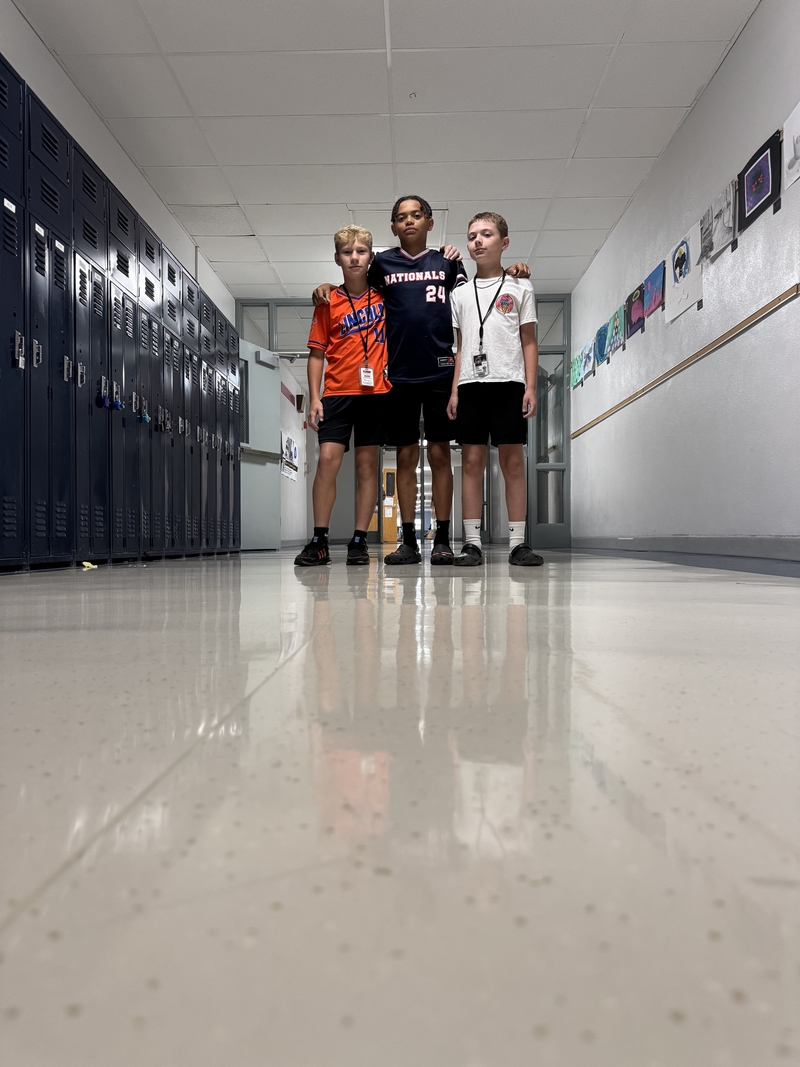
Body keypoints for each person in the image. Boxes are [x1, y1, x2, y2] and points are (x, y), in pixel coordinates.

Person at [313, 196, 530, 566]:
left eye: (416, 215)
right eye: (401, 217)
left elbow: (478, 292)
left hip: (441, 373)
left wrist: (512, 271)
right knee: (405, 456)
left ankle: (443, 538)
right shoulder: (382, 263)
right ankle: (409, 539)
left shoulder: (447, 261)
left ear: (430, 222)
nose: (409, 221)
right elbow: (357, 286)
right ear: (393, 227)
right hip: (396, 376)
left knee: (440, 454)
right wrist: (327, 287)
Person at [446, 211, 543, 567]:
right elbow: (459, 346)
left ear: (503, 243)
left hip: (510, 382)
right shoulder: (459, 294)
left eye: (486, 234)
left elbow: (529, 340)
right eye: (472, 235)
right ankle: (472, 542)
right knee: (472, 461)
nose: (477, 241)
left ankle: (518, 543)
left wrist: (530, 386)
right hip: (471, 384)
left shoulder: (520, 286)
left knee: (512, 461)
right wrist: (455, 391)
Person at [294, 225, 389, 568]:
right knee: (328, 462)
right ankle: (320, 540)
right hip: (336, 393)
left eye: (361, 251)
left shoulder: (384, 298)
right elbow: (317, 355)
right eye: (347, 252)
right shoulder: (327, 301)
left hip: (376, 393)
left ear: (370, 257)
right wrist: (314, 398)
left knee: (366, 468)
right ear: (337, 258)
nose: (354, 257)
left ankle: (359, 540)